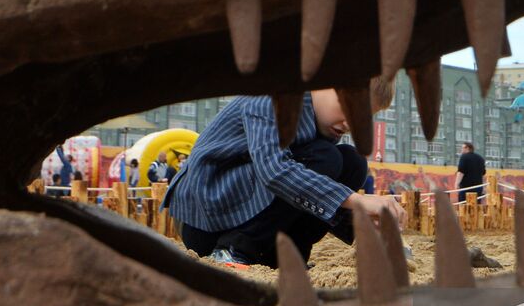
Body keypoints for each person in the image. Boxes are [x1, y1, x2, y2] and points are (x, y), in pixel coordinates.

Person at [163, 88, 404, 268]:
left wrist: (361, 225)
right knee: (325, 158)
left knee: (352, 163)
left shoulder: (318, 124)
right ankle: (232, 249)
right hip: (204, 220)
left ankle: (289, 257)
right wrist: (358, 200)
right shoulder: (273, 95)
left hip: (247, 218)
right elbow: (275, 171)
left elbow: (310, 196)